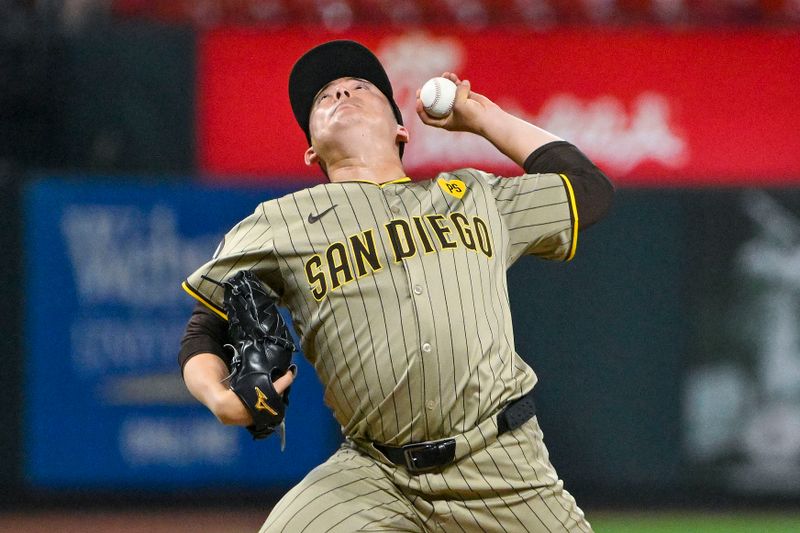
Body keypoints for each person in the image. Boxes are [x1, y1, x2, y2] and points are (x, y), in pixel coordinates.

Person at [179, 40, 613, 532]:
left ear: (401, 127)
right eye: (324, 97)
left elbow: (588, 189)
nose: (341, 90)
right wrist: (218, 396)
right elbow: (204, 327)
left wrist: (483, 117)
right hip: (373, 475)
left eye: (361, 87)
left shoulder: (474, 195)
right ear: (310, 149)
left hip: (502, 464)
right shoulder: (280, 224)